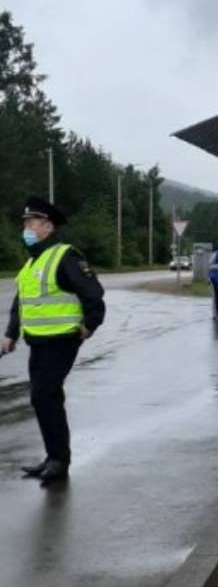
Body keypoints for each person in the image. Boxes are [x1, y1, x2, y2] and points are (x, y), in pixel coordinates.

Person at [0, 196, 106, 486]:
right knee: (43, 398)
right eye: (25, 223)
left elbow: (93, 294)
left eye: (31, 222)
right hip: (38, 341)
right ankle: (54, 457)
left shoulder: (65, 256)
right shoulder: (32, 262)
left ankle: (59, 460)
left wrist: (90, 326)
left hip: (61, 339)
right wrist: (10, 334)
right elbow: (22, 302)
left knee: (44, 396)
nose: (26, 228)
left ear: (47, 226)